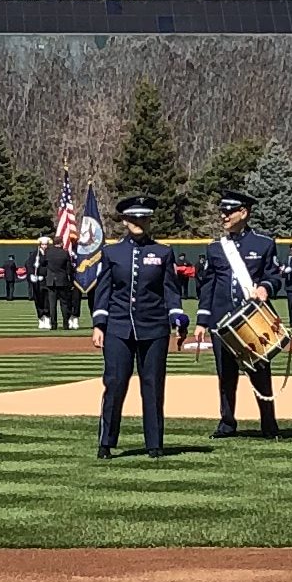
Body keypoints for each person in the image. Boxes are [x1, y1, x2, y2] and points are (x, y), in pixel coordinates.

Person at [91, 194, 180, 457]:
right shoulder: (112, 252)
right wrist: (99, 324)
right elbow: (103, 291)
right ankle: (106, 442)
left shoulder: (163, 252)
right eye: (133, 218)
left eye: (143, 218)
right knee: (115, 383)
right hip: (118, 327)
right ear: (124, 221)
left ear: (150, 221)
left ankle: (154, 444)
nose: (138, 222)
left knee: (152, 386)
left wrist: (177, 316)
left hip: (154, 328)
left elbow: (170, 290)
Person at [203, 186, 283, 437]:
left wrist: (265, 288)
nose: (224, 216)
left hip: (252, 320)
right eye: (222, 211)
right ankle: (227, 422)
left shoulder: (264, 244)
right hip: (222, 321)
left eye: (229, 211)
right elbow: (208, 286)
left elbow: (274, 276)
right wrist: (203, 321)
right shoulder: (216, 248)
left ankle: (268, 423)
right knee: (225, 375)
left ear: (244, 212)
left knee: (260, 373)